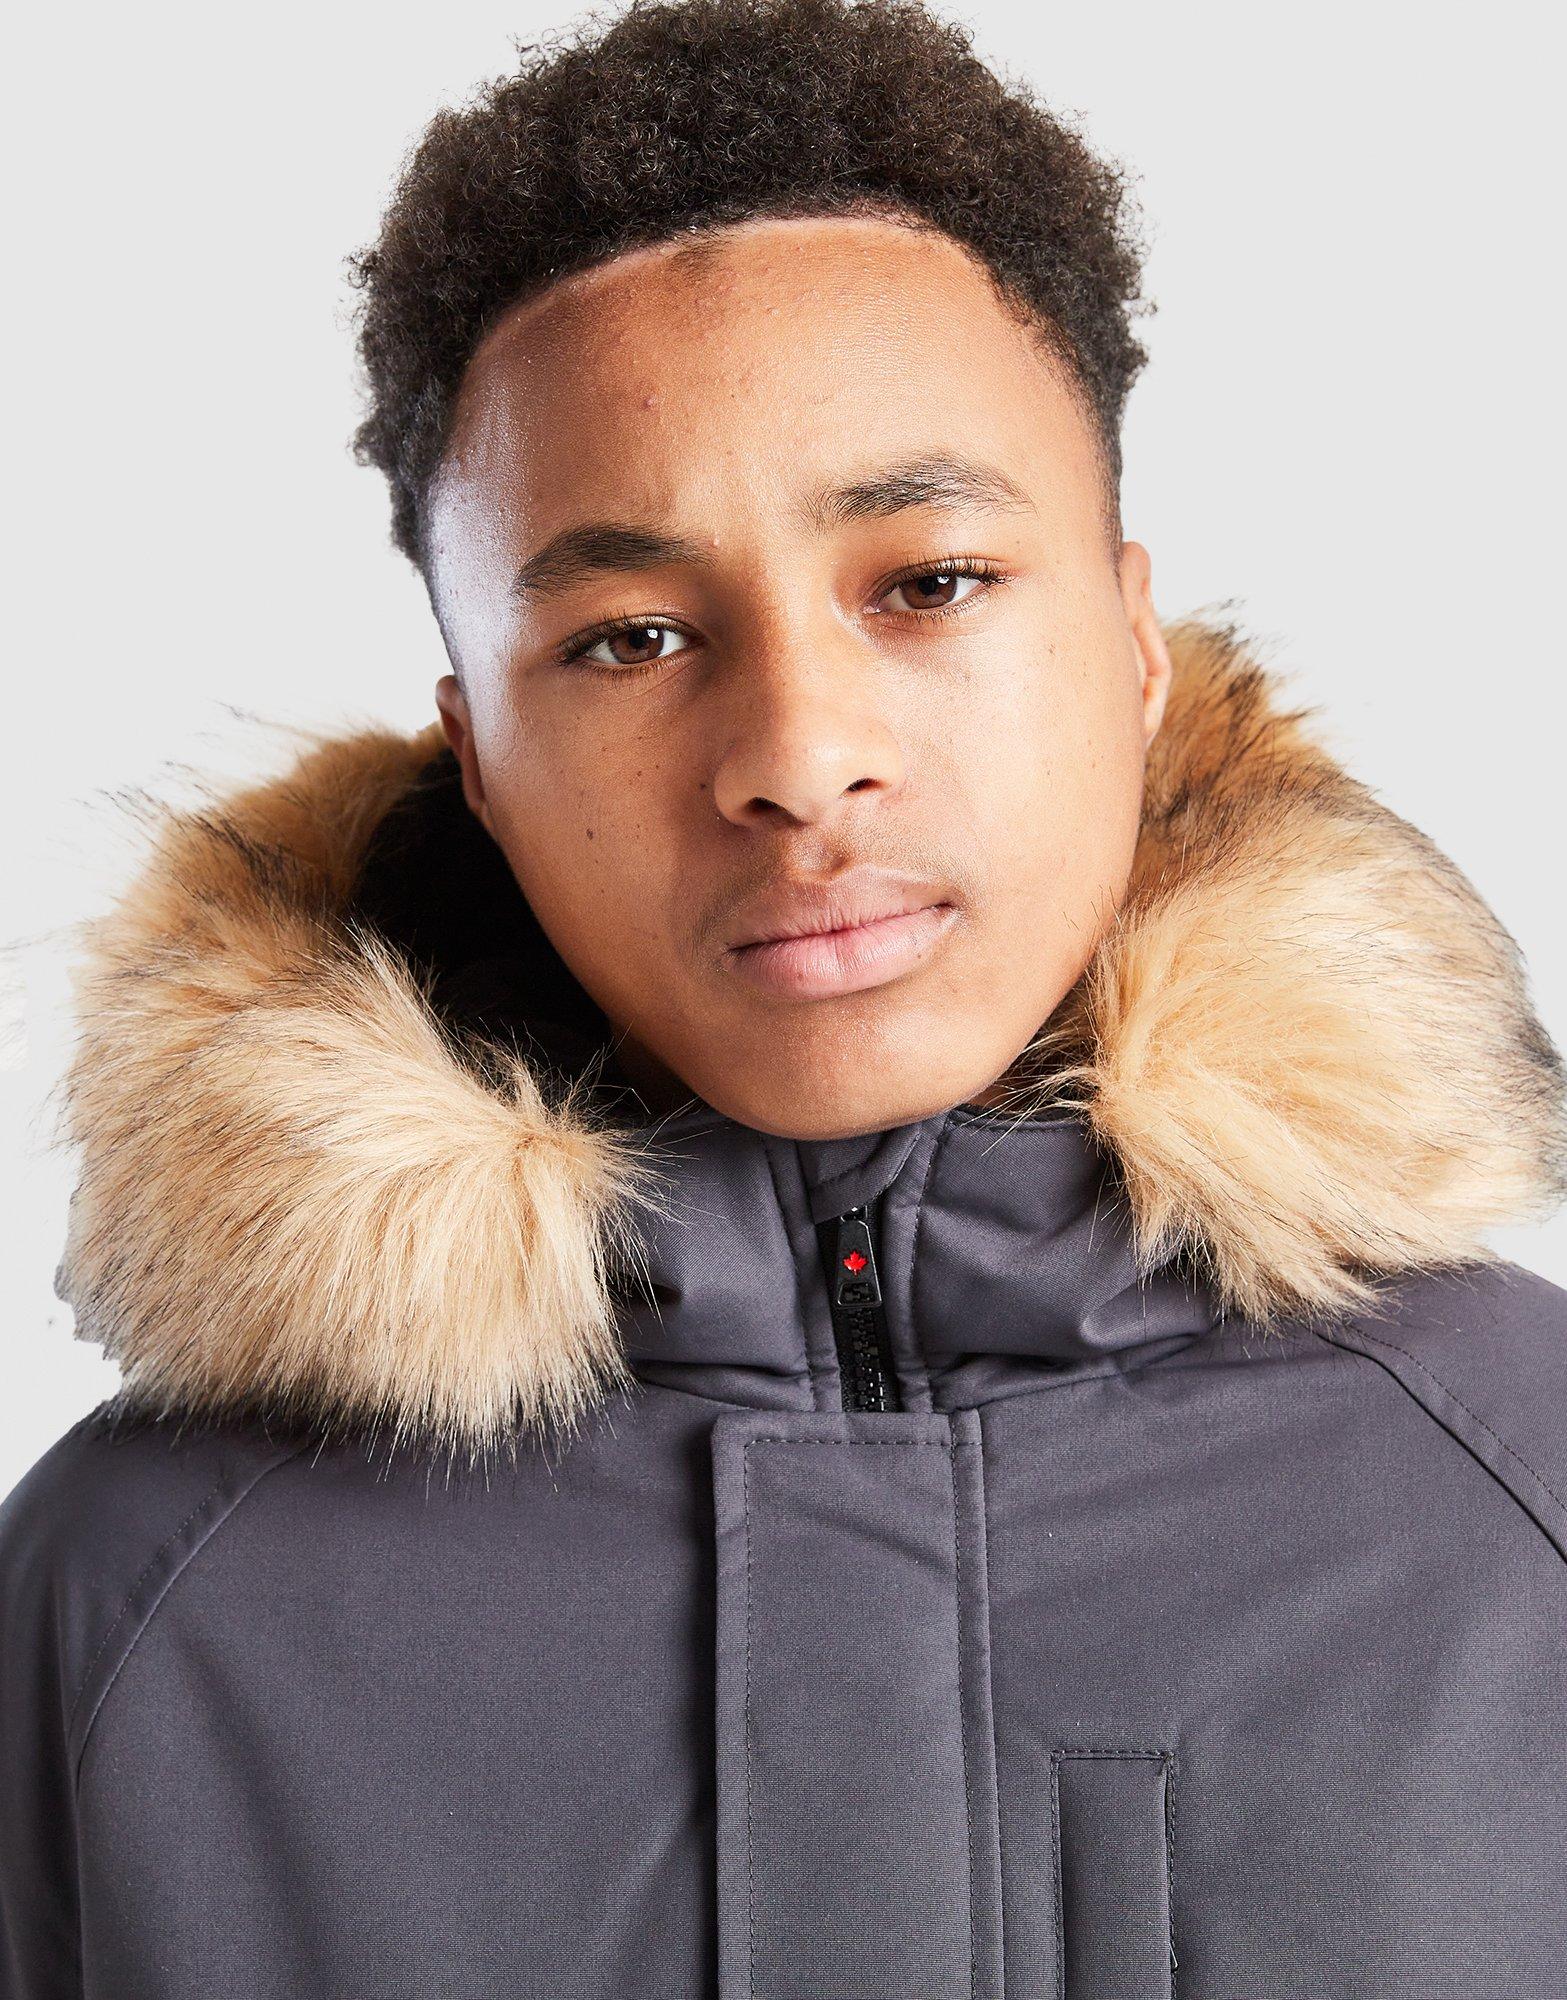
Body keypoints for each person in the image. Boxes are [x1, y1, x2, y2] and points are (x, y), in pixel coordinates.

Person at [3, 0, 1565, 1992]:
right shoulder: (143, 1601)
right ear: (476, 756)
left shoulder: (1525, 1486)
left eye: (929, 582)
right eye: (630, 636)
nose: (799, 758)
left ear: (1133, 639)